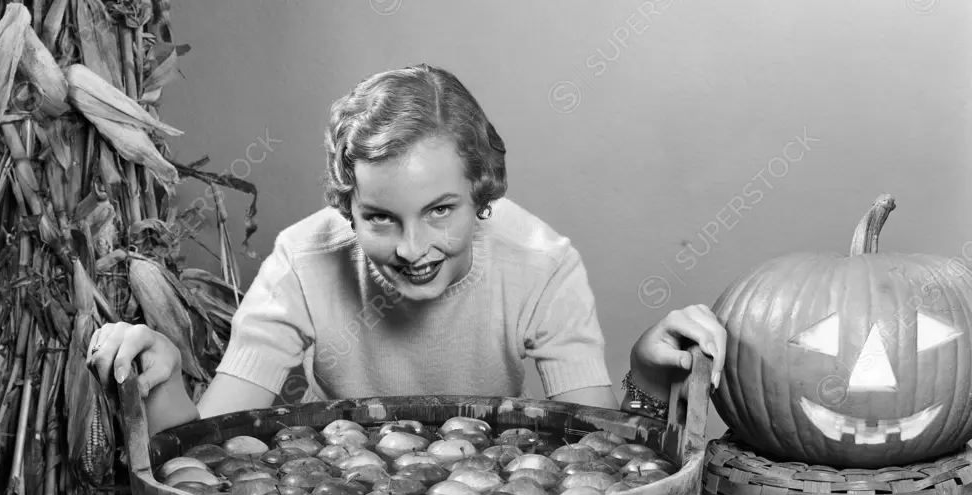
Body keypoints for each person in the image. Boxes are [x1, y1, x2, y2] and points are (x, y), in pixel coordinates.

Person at [87, 64, 726, 435]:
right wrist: (162, 377)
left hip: (484, 492)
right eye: (381, 219)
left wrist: (644, 375)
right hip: (337, 486)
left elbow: (599, 451)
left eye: (441, 210)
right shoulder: (303, 260)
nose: (414, 248)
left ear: (483, 193)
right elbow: (207, 452)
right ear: (346, 207)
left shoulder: (542, 263)